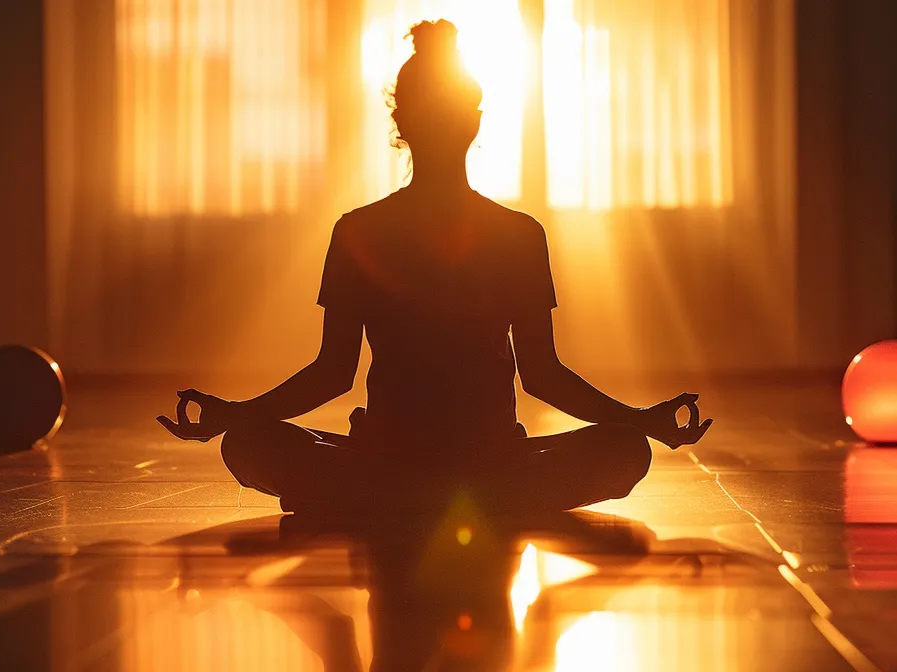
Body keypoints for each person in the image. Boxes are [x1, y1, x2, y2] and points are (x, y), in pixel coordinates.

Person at [157, 19, 711, 513]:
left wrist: (233, 416)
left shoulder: (360, 231)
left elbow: (332, 372)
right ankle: (469, 499)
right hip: (488, 467)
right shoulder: (517, 235)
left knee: (248, 443)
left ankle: (386, 499)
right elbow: (544, 376)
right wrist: (642, 422)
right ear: (474, 122)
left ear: (402, 121)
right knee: (622, 450)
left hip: (387, 466)